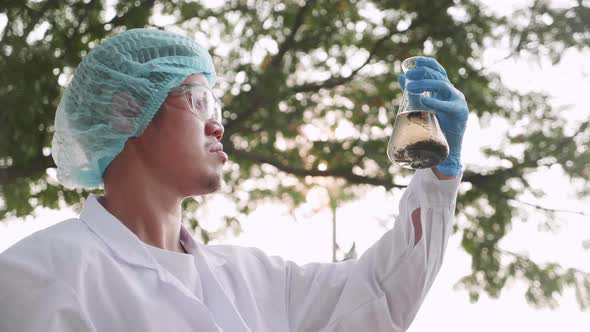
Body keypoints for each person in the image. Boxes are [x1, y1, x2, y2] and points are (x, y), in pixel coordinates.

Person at [0, 28, 467, 332]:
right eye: (199, 101)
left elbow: (377, 294)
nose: (218, 125)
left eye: (218, 109)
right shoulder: (40, 274)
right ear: (126, 111)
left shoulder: (255, 279)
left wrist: (437, 176)